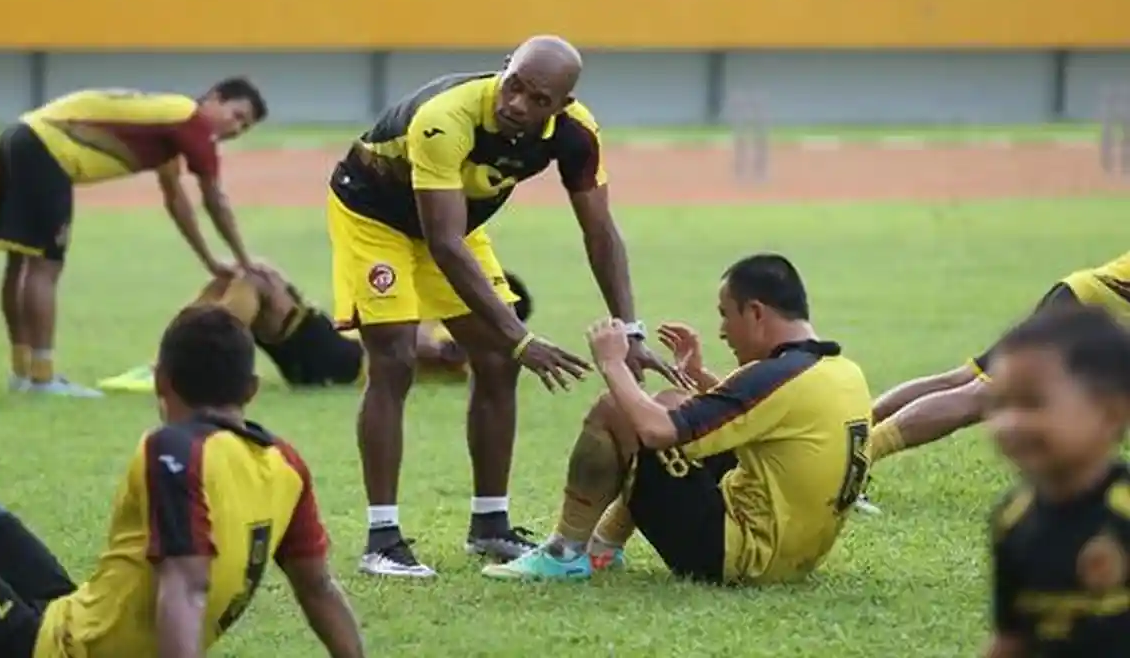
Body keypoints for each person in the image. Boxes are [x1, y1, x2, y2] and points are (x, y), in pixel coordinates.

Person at [328, 34, 679, 577]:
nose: (517, 104)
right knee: (394, 357)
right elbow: (443, 243)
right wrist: (521, 337)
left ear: (560, 106)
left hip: (453, 219)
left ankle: (489, 526)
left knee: (495, 361)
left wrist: (631, 329)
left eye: (538, 99)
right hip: (375, 215)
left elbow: (600, 231)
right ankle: (382, 538)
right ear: (503, 69)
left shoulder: (576, 134)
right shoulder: (445, 118)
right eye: (513, 85)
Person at [0, 305, 365, 657]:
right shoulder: (284, 463)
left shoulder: (175, 451)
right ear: (250, 389)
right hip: (70, 618)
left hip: (48, 651)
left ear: (161, 380)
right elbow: (318, 588)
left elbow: (185, 587)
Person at [483, 254, 873, 585]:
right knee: (673, 400)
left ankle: (564, 552)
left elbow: (656, 431)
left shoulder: (774, 376)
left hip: (738, 559)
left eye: (725, 315)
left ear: (755, 312)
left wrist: (612, 363)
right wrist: (701, 377)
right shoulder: (837, 370)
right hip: (793, 559)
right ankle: (603, 548)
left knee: (616, 410)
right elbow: (759, 419)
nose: (722, 331)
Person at [0, 80, 268, 398]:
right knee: (44, 268)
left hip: (19, 137)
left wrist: (210, 261)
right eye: (237, 115)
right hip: (47, 149)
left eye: (244, 127)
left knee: (19, 262)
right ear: (214, 99)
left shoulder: (168, 120)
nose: (236, 128)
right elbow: (214, 199)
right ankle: (42, 379)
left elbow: (178, 202)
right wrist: (245, 260)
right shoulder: (191, 121)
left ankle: (23, 372)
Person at [867, 251, 1130, 485]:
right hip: (1099, 306)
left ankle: (851, 427)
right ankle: (856, 459)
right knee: (982, 396)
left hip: (1086, 293)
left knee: (963, 380)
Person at [95, 266, 536, 392]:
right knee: (241, 276)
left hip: (345, 364)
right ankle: (167, 363)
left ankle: (191, 369)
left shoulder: (466, 338)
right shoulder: (449, 316)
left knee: (255, 282)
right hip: (335, 349)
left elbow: (428, 350)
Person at [984, 305, 1130, 657]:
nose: (1009, 424)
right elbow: (1013, 637)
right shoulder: (1012, 520)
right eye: (999, 405)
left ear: (1112, 412)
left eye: (1032, 403)